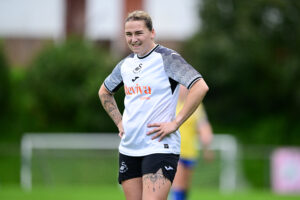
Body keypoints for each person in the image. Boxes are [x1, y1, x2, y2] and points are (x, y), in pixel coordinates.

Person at [98, 10, 209, 200]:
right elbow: (104, 92)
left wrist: (176, 122)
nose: (133, 39)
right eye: (128, 34)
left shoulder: (167, 58)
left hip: (160, 147)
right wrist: (119, 122)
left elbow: (200, 86)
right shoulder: (125, 65)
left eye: (139, 33)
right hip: (129, 147)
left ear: (152, 32)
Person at [171, 85, 214, 200]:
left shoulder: (196, 105)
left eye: (185, 87)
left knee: (185, 187)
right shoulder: (170, 104)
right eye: (181, 87)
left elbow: (203, 127)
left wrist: (207, 148)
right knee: (177, 184)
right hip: (175, 150)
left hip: (190, 152)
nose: (183, 89)